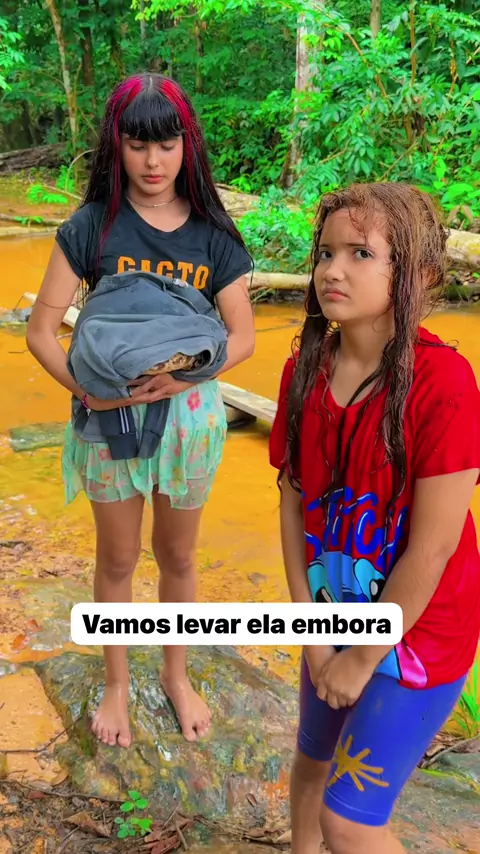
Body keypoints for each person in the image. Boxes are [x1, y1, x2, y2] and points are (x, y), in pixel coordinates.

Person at [27, 72, 255, 749]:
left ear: (187, 145)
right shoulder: (91, 227)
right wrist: (87, 392)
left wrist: (182, 379)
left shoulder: (213, 233)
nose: (153, 162)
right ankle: (117, 684)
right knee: (119, 557)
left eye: (166, 144)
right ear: (116, 146)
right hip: (107, 417)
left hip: (188, 417)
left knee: (178, 555)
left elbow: (241, 337)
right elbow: (41, 331)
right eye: (137, 145)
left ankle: (177, 675)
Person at [269, 182, 480, 854]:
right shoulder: (304, 371)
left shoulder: (444, 385)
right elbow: (292, 503)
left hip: (418, 633)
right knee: (311, 763)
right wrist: (311, 635)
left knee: (350, 821)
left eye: (361, 253)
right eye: (326, 253)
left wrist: (362, 656)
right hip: (334, 616)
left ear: (419, 274)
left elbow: (433, 549)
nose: (333, 269)